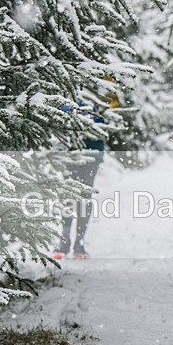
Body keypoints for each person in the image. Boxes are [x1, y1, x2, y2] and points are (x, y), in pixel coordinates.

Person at [53, 103, 106, 260]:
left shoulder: (96, 94)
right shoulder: (67, 94)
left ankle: (79, 243)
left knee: (84, 198)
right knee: (68, 197)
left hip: (91, 155)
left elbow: (100, 122)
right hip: (69, 155)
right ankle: (64, 241)